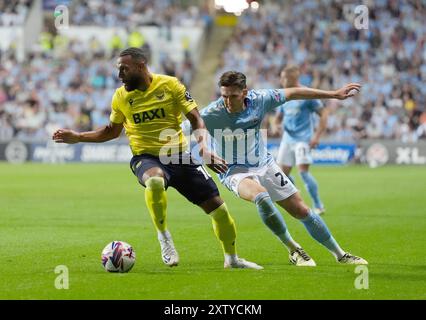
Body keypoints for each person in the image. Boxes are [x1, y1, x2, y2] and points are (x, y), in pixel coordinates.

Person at [52, 48, 262, 270]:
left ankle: (232, 259)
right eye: (118, 69)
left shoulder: (170, 85)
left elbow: (196, 119)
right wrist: (78, 136)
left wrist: (204, 149)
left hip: (180, 157)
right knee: (154, 180)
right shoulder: (121, 96)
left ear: (141, 66)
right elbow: (111, 131)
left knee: (219, 211)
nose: (120, 74)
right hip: (146, 157)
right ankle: (164, 237)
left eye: (124, 68)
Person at [183, 71, 367, 266]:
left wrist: (333, 94)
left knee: (303, 210)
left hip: (264, 163)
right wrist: (202, 151)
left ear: (244, 92)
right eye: (224, 96)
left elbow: (294, 92)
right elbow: (181, 129)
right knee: (261, 197)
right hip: (233, 170)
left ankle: (340, 254)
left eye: (233, 96)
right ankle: (293, 249)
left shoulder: (261, 99)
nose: (227, 102)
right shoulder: (212, 113)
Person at [274, 65, 328, 215]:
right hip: (287, 139)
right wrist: (277, 126)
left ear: (293, 78)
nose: (281, 80)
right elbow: (278, 118)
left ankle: (319, 205)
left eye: (283, 77)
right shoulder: (284, 96)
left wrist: (317, 136)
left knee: (303, 172)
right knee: (282, 175)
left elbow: (323, 114)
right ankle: (298, 198)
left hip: (303, 140)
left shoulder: (307, 94)